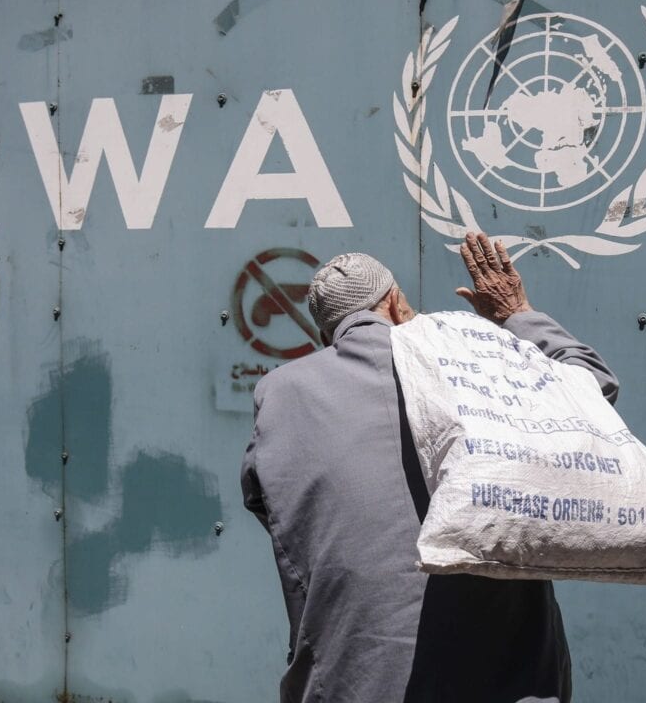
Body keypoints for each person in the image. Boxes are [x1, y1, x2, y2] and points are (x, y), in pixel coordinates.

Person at [240, 232, 619, 703]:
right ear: (397, 304)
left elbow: (263, 497)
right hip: (506, 682)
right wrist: (516, 313)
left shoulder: (280, 392)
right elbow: (593, 391)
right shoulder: (471, 363)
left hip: (349, 684)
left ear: (327, 334)